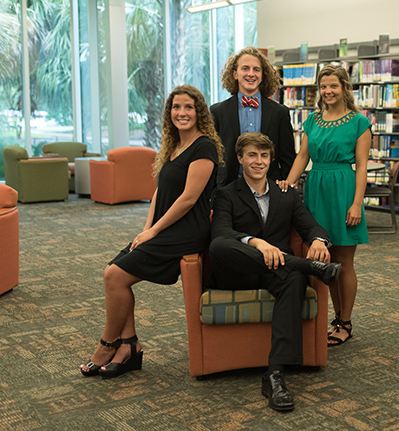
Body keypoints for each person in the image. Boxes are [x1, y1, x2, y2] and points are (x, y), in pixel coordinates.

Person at [79, 85, 224, 378]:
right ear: (169, 112)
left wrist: (155, 230)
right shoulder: (173, 145)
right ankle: (129, 345)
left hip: (187, 230)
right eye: (176, 107)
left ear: (199, 113)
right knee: (114, 273)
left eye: (188, 107)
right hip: (162, 228)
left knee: (114, 275)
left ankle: (108, 345)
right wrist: (146, 230)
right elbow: (161, 191)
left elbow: (188, 199)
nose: (181, 113)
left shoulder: (204, 146)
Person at [209, 133, 342, 412]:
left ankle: (275, 374)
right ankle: (308, 267)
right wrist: (257, 243)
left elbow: (311, 226)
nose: (259, 161)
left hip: (276, 272)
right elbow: (221, 232)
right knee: (219, 246)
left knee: (293, 279)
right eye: (252, 155)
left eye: (264, 156)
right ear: (240, 159)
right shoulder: (226, 193)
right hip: (238, 271)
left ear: (270, 160)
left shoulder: (286, 194)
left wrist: (319, 240)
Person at [283, 64, 371, 347]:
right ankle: (333, 318)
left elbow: (361, 167)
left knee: (344, 261)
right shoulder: (312, 120)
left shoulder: (359, 122)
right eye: (323, 87)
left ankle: (345, 321)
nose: (328, 91)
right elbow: (302, 157)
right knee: (324, 260)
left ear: (345, 87)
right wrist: (288, 183)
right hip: (317, 190)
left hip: (344, 190)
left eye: (333, 86)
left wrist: (357, 204)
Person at [211, 46, 296, 186]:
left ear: (263, 76)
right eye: (245, 68)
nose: (251, 74)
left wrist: (284, 191)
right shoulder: (218, 112)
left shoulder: (280, 112)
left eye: (256, 69)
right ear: (235, 74)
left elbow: (288, 158)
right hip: (227, 190)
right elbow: (213, 157)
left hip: (270, 190)